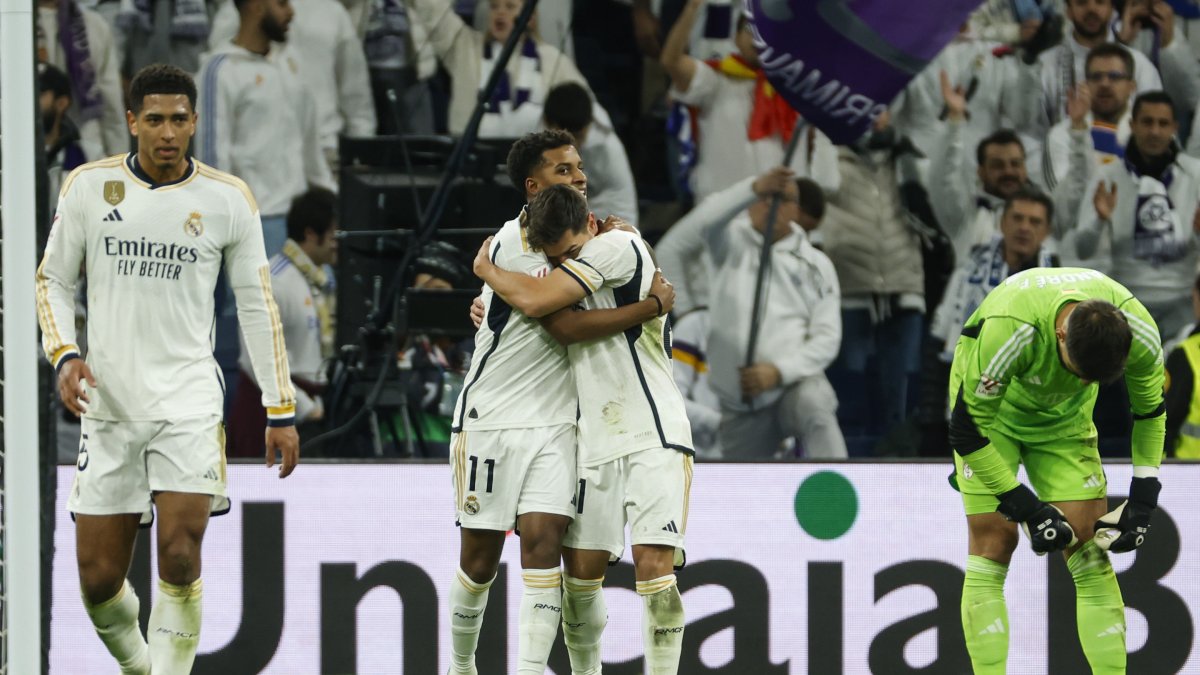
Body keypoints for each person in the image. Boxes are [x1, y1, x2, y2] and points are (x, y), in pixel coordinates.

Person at [34, 63, 299, 675]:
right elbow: (51, 279)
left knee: (180, 554)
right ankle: (140, 666)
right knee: (99, 581)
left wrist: (279, 408)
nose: (167, 132)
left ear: (195, 122)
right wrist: (65, 355)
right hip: (111, 403)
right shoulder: (87, 189)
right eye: (154, 119)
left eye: (179, 119)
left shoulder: (227, 199)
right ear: (131, 121)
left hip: (188, 402)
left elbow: (257, 305)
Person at [443, 129, 673, 675]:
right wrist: (488, 282)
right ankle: (458, 666)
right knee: (478, 559)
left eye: (578, 167)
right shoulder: (511, 246)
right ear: (533, 184)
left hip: (558, 421)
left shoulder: (586, 236)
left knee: (544, 544)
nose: (579, 177)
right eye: (564, 170)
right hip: (491, 415)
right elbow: (560, 319)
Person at [948, 266, 1165, 674]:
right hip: (992, 418)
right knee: (994, 540)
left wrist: (1144, 497)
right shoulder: (1012, 329)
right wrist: (1025, 506)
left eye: (1093, 380)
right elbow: (966, 430)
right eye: (1076, 371)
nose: (1082, 381)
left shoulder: (1141, 333)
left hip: (1065, 422)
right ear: (1061, 334)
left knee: (1089, 549)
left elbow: (1151, 412)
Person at [657, 165, 846, 459]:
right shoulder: (728, 242)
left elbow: (827, 338)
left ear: (796, 211)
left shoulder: (817, 264)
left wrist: (779, 371)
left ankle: (838, 495)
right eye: (764, 197)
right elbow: (707, 221)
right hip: (738, 402)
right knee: (737, 490)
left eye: (781, 199)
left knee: (816, 405)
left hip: (792, 386)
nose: (770, 205)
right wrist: (752, 187)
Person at [195, 0, 335, 257]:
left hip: (302, 222)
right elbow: (213, 159)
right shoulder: (221, 70)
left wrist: (329, 199)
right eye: (281, 3)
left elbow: (310, 145)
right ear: (256, 7)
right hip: (256, 222)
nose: (291, 11)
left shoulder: (292, 64)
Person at [1074, 91, 1199, 337]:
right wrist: (1099, 221)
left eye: (1163, 124)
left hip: (1183, 299)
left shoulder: (1195, 176)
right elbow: (1082, 249)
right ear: (1132, 125)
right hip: (1126, 298)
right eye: (1147, 122)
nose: (1154, 131)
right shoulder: (1107, 177)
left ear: (1175, 127)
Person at [228, 187, 338, 457]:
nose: (340, 241)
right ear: (311, 234)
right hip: (269, 413)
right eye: (335, 234)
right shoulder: (272, 281)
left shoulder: (324, 279)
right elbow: (257, 356)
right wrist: (304, 407)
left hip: (313, 409)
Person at [404, 0, 590, 137]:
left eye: (509, 7)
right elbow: (432, 10)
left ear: (530, 17)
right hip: (471, 163)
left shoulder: (551, 58)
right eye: (494, 6)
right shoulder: (465, 48)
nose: (500, 13)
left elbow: (584, 108)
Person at [932, 188, 1059, 360]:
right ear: (1002, 222)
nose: (1024, 227)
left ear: (1046, 231)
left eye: (1034, 222)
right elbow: (939, 337)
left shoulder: (1057, 284)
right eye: (1017, 218)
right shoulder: (969, 269)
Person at [543, 82, 639, 226]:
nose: (574, 144)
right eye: (566, 137)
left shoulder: (607, 147)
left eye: (579, 136)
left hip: (607, 224)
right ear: (548, 124)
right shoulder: (535, 130)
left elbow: (625, 216)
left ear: (589, 124)